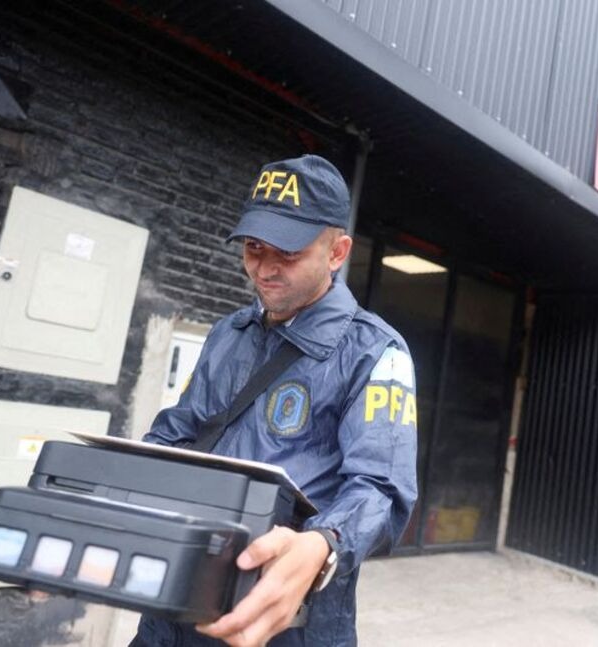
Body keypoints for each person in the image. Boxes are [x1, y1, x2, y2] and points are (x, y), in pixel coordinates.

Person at [132, 154, 419, 647]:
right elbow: (178, 432)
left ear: (336, 253)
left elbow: (381, 487)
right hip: (174, 604)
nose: (263, 269)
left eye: (286, 253)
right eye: (253, 247)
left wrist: (323, 543)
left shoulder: (376, 352)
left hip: (287, 616)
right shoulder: (228, 333)